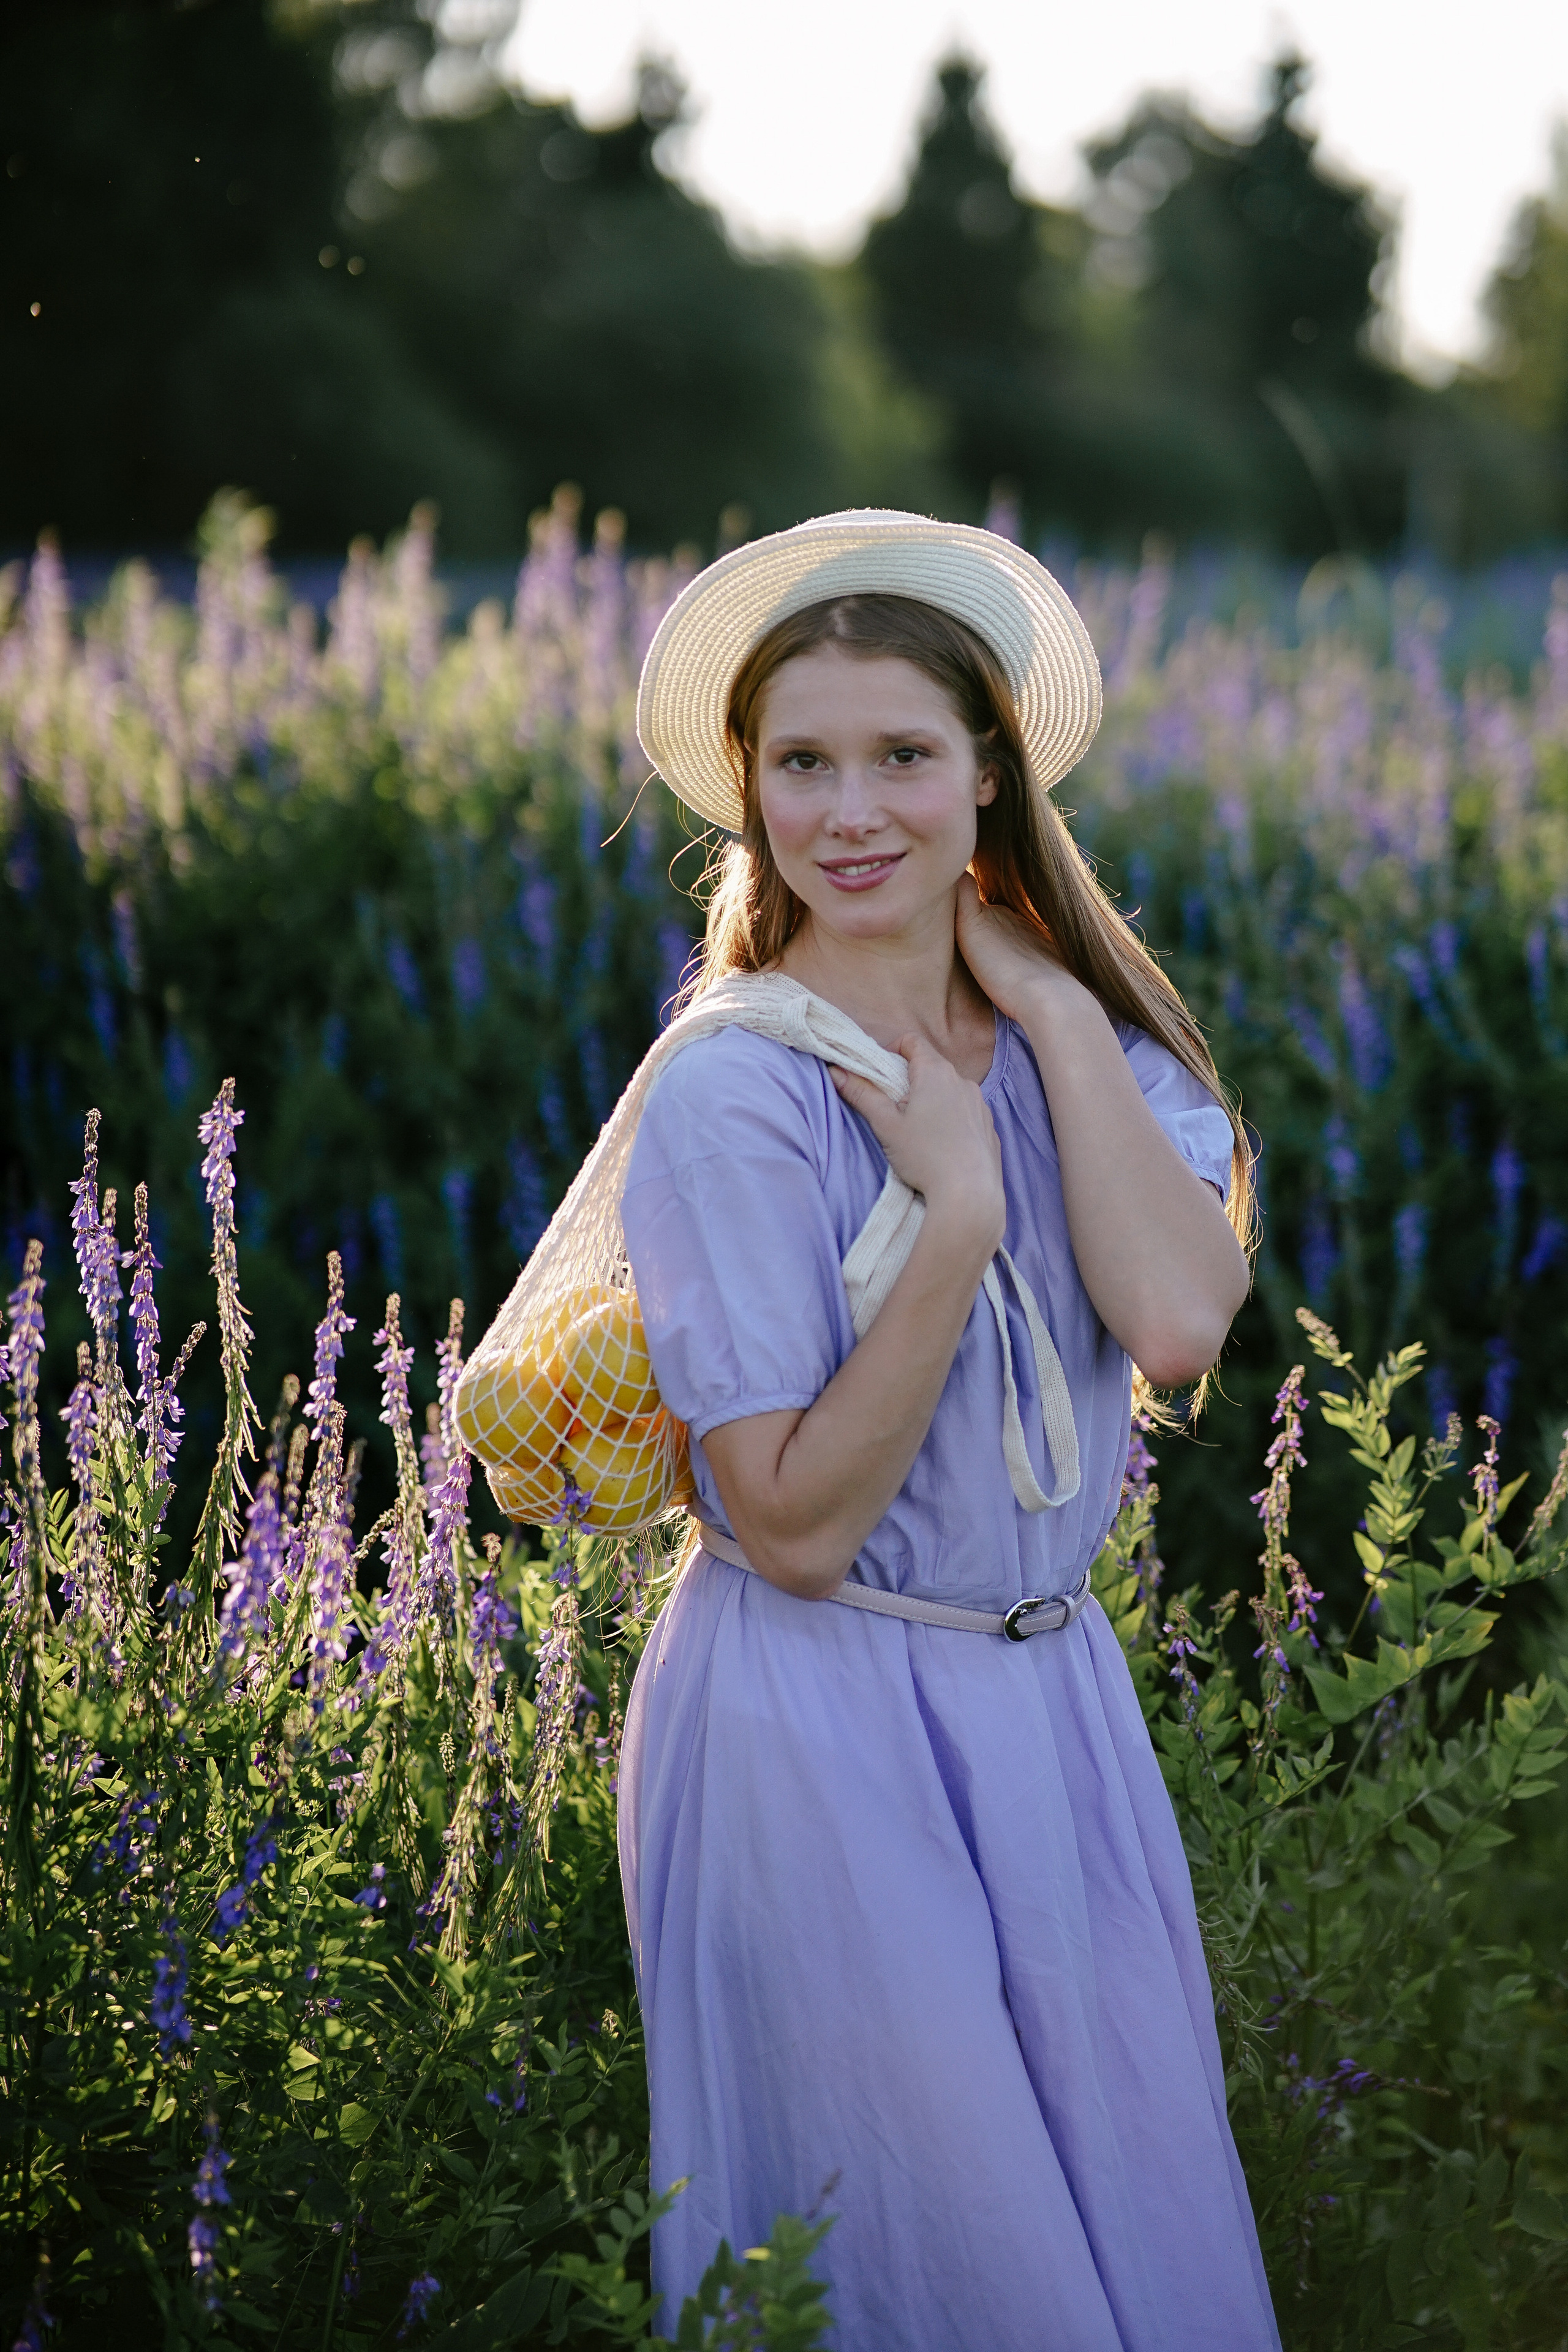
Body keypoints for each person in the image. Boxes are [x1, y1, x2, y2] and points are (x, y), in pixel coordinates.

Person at [616, 512, 1280, 2350]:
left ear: (988, 770)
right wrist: (959, 1226)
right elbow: (796, 1525)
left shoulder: (1109, 1061)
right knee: (953, 2266)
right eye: (803, 763)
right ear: (750, 794)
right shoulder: (735, 1091)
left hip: (1051, 1710)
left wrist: (1055, 1008)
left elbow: (1173, 1323)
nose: (853, 811)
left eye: (904, 755)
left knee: (1129, 2239)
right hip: (816, 1710)